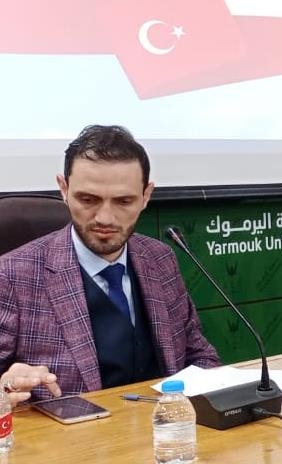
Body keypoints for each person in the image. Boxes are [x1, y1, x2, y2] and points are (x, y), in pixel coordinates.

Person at [0, 125, 220, 406]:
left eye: (123, 201)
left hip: (165, 426)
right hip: (72, 433)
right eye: (88, 200)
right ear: (64, 189)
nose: (105, 217)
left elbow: (199, 357)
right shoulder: (12, 275)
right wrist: (5, 386)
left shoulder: (160, 258)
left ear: (146, 196)